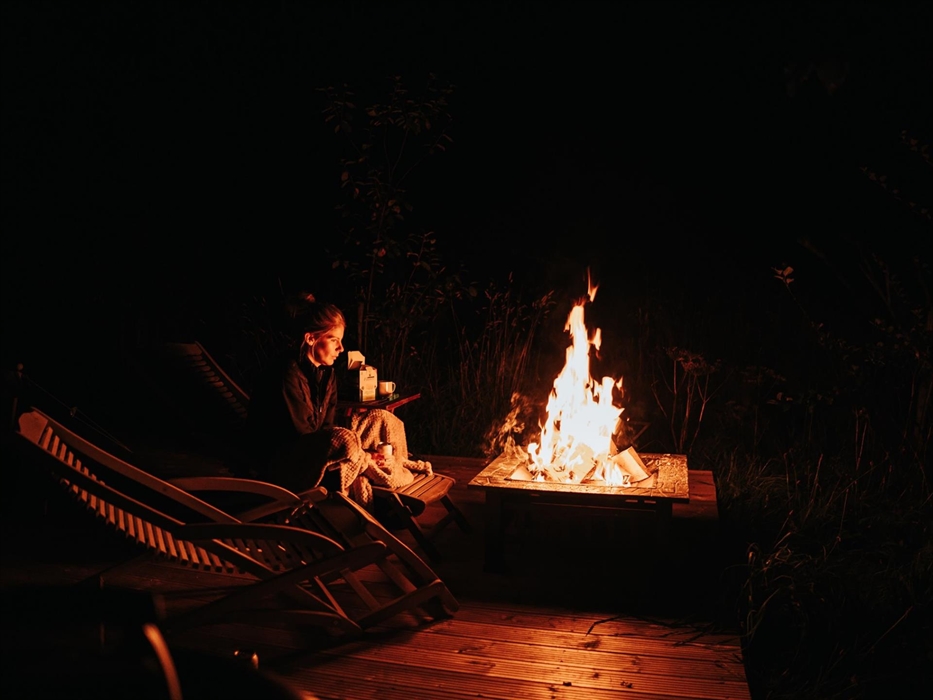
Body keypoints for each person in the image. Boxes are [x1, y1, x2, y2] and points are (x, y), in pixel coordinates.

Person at [244, 292, 431, 512]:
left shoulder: (327, 374)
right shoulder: (287, 374)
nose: (340, 349)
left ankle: (379, 480)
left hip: (313, 449)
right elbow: (302, 435)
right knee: (344, 440)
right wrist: (359, 453)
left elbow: (326, 426)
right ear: (311, 338)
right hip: (286, 463)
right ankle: (376, 493)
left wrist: (356, 449)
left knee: (382, 419)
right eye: (334, 340)